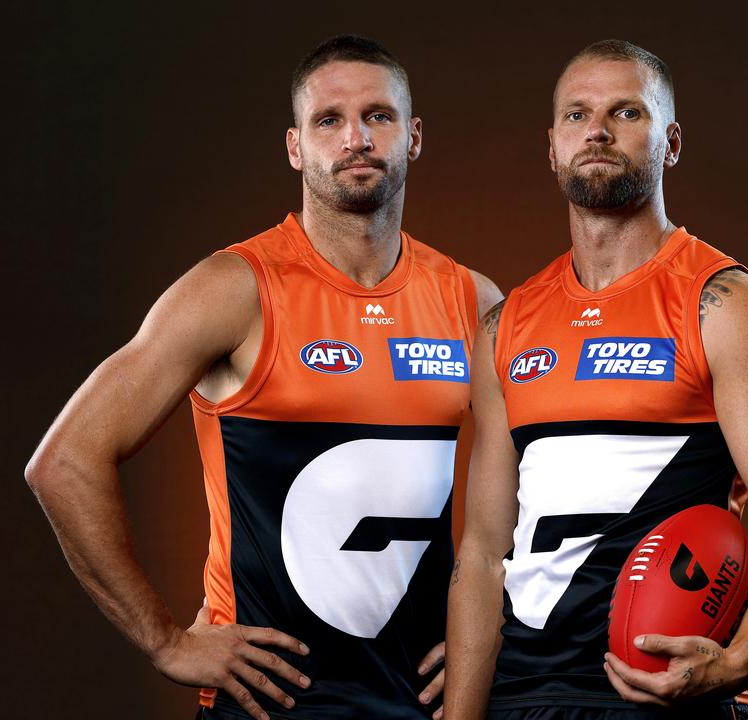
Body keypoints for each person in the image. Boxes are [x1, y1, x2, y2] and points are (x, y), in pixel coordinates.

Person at [25, 35, 501, 720]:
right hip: (269, 705)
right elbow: (63, 462)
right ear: (295, 147)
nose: (356, 138)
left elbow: (549, 474)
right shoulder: (236, 289)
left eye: (379, 116)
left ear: (413, 135)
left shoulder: (472, 300)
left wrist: (498, 629)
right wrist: (164, 642)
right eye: (328, 120)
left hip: (420, 702)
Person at [444, 40, 748, 720]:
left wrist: (743, 657)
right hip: (525, 698)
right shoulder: (505, 325)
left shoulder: (721, 303)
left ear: (672, 141)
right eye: (576, 115)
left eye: (626, 111)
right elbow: (482, 553)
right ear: (551, 147)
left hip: (667, 695)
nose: (596, 129)